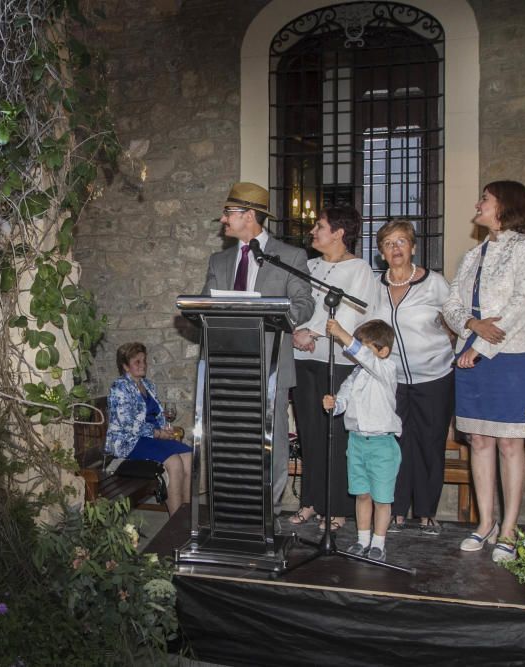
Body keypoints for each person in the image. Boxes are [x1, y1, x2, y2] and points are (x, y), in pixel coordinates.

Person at [443, 180, 525, 563]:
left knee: (509, 443)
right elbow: (451, 305)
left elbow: (521, 305)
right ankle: (484, 523)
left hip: (514, 355)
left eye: (484, 199)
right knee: (480, 441)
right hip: (471, 349)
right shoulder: (471, 255)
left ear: (505, 205)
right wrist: (471, 328)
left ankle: (509, 529)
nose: (477, 203)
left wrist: (483, 346)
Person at [202, 182, 314, 517]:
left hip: (271, 364)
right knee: (230, 442)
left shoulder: (290, 256)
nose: (223, 220)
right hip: (227, 366)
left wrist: (272, 317)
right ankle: (233, 509)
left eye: (228, 213)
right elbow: (205, 305)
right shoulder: (218, 260)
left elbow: (304, 304)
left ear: (249, 216)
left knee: (273, 441)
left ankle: (269, 512)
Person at [290, 206, 377, 532]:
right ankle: (311, 501)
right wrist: (297, 332)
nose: (313, 231)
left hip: (336, 360)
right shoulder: (308, 266)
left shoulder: (360, 269)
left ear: (340, 233)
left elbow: (356, 314)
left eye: (320, 226)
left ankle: (338, 507)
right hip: (302, 357)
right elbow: (296, 303)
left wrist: (311, 332)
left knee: (336, 435)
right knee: (310, 434)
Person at [373, 220, 455, 536]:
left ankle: (426, 511)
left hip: (435, 377)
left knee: (430, 444)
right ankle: (396, 510)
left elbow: (454, 322)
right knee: (395, 444)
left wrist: (440, 349)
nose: (396, 248)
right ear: (381, 252)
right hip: (391, 380)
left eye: (402, 242)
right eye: (389, 243)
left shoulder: (435, 283)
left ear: (413, 247)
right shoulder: (374, 285)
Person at [322, 318, 401, 561]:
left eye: (364, 346)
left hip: (382, 445)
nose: (359, 353)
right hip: (356, 442)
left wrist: (342, 333)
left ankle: (378, 543)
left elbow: (367, 358)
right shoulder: (355, 375)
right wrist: (334, 405)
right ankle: (362, 539)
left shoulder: (386, 369)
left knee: (382, 498)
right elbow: (344, 400)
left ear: (382, 350)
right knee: (362, 494)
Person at [105, 342, 192, 515]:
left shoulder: (148, 385)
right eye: (137, 361)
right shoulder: (120, 387)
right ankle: (176, 522)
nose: (143, 365)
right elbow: (128, 425)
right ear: (125, 366)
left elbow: (156, 415)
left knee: (189, 455)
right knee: (173, 462)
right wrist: (158, 433)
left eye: (144, 360)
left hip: (150, 437)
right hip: (129, 442)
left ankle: (187, 513)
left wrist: (165, 429)